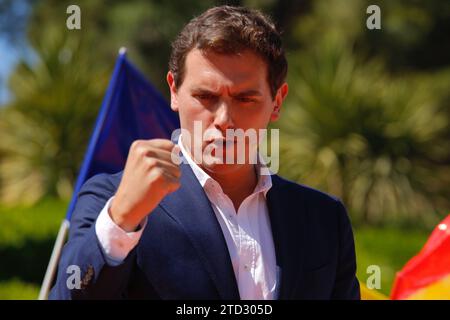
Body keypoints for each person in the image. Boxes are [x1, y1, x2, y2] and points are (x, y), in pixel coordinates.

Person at [50, 5, 360, 300]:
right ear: (174, 91)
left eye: (245, 98)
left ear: (277, 101)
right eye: (205, 96)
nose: (224, 119)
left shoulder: (324, 219)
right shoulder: (109, 197)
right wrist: (122, 219)